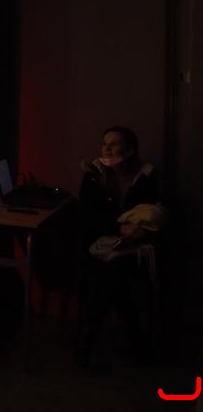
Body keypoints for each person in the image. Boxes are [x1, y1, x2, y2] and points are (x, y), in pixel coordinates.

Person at [76, 125, 164, 366]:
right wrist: (117, 227)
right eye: (104, 143)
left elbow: (152, 214)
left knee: (112, 273)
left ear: (130, 149)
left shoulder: (146, 176)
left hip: (133, 250)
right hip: (98, 246)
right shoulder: (94, 174)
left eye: (114, 143)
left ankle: (86, 343)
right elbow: (86, 216)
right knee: (111, 273)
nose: (107, 148)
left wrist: (134, 232)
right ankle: (137, 341)